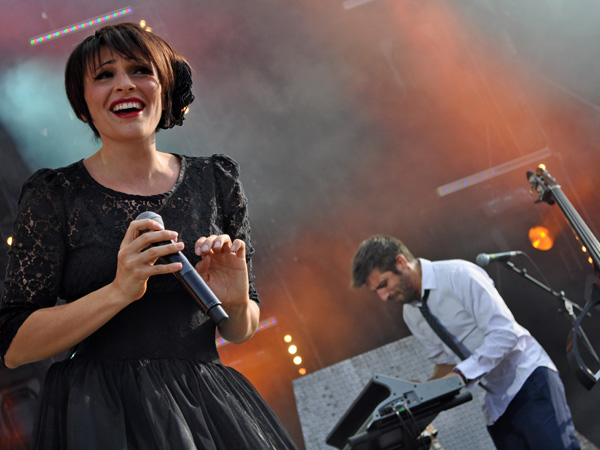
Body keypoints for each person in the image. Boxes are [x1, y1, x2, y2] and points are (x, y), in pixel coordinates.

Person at [0, 23, 297, 449]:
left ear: (166, 87)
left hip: (205, 402)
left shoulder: (216, 179)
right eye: (104, 75)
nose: (124, 84)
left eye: (140, 70)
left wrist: (233, 300)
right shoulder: (54, 195)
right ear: (83, 105)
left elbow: (239, 329)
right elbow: (15, 347)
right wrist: (119, 291)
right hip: (103, 414)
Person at [350, 235, 580, 450]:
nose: (383, 297)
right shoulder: (411, 315)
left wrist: (461, 374)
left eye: (383, 284)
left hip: (528, 381)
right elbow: (446, 364)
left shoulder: (459, 274)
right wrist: (421, 392)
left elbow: (504, 333)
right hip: (495, 406)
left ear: (401, 262)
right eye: (376, 292)